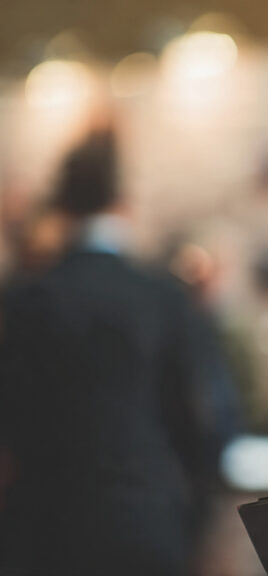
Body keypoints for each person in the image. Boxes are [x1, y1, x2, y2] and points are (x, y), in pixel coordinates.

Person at [0, 130, 211, 575]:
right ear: (122, 202)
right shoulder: (162, 296)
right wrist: (194, 523)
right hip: (145, 522)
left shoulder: (23, 300)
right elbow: (195, 421)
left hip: (46, 527)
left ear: (62, 207)